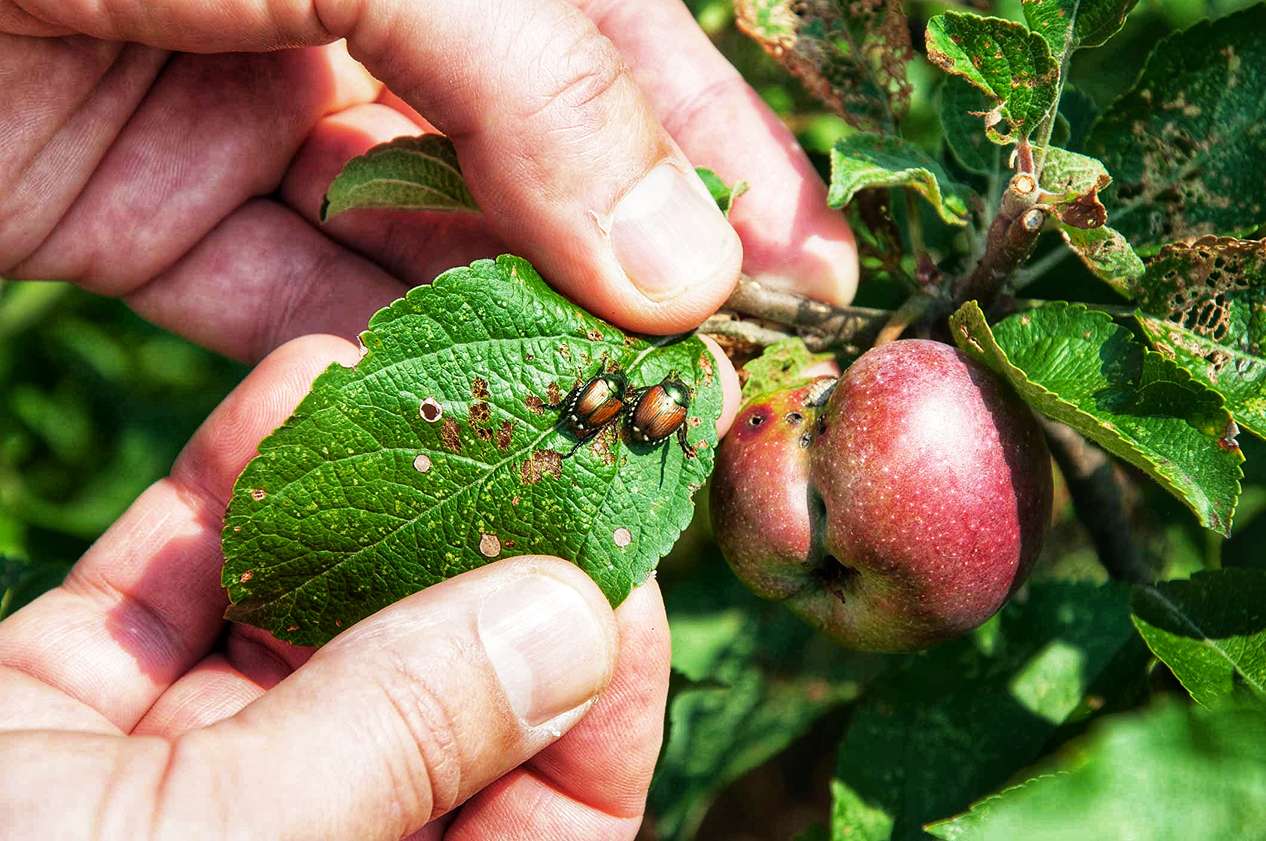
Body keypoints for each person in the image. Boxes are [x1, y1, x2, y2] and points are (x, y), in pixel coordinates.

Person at [0, 0, 858, 837]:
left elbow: (603, 416)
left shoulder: (635, 400)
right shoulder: (640, 399)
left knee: (571, 428)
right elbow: (610, 416)